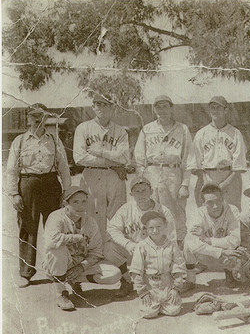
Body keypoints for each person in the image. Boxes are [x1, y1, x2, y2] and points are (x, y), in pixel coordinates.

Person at [6, 103, 71, 288]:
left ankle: (56, 269)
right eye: (33, 115)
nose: (37, 119)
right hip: (28, 185)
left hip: (51, 184)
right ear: (28, 119)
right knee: (28, 228)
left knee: (55, 228)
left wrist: (67, 191)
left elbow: (64, 167)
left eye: (41, 115)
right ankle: (26, 273)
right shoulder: (19, 141)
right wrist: (14, 194)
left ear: (46, 118)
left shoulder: (54, 140)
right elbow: (11, 170)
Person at [42, 187, 121, 311]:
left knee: (114, 274)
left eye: (84, 201)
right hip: (60, 263)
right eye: (75, 202)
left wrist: (82, 266)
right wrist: (77, 238)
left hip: (80, 263)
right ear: (65, 204)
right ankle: (61, 293)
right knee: (57, 249)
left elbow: (97, 250)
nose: (80, 206)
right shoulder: (56, 217)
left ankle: (75, 281)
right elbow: (52, 241)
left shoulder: (90, 221)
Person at [103, 176, 177, 297]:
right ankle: (127, 280)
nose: (141, 194)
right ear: (131, 194)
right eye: (137, 191)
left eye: (144, 190)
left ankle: (162, 280)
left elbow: (171, 238)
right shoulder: (126, 209)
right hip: (133, 250)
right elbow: (112, 229)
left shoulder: (163, 211)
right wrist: (128, 244)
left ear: (151, 192)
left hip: (155, 254)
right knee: (108, 248)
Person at [134, 95, 192, 245]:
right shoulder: (147, 129)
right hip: (152, 172)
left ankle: (178, 250)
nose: (162, 110)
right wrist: (141, 180)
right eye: (158, 107)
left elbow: (188, 159)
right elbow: (139, 158)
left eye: (165, 106)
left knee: (176, 213)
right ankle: (151, 250)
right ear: (154, 109)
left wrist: (185, 184)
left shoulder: (182, 129)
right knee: (150, 212)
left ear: (171, 108)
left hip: (173, 173)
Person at [73, 93, 130, 238]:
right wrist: (111, 160)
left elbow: (124, 157)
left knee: (118, 216)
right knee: (92, 216)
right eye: (98, 104)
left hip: (114, 177)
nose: (102, 108)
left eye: (106, 104)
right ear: (93, 107)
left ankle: (116, 254)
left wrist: (100, 152)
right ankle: (95, 253)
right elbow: (79, 157)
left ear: (112, 107)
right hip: (92, 175)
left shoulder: (120, 131)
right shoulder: (83, 128)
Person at [187, 96, 247, 209]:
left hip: (230, 177)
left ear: (226, 110)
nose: (215, 111)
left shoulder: (235, 133)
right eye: (213, 108)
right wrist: (206, 182)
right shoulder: (201, 134)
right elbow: (195, 164)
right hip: (207, 176)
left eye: (219, 108)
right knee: (206, 211)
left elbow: (239, 165)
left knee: (231, 211)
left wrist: (224, 184)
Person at [184, 183, 243, 288]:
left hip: (227, 256)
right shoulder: (197, 214)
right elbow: (193, 243)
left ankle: (230, 275)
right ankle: (190, 280)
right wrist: (222, 251)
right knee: (187, 245)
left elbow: (236, 239)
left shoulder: (232, 210)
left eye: (218, 200)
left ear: (223, 198)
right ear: (203, 203)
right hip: (211, 255)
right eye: (210, 203)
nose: (215, 206)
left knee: (240, 250)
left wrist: (208, 240)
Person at [130, 211, 186, 319]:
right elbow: (136, 272)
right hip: (151, 286)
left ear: (165, 227)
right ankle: (151, 304)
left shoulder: (172, 245)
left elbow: (178, 267)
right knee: (148, 313)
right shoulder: (141, 246)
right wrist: (143, 292)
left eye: (159, 226)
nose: (155, 231)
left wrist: (176, 288)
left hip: (167, 286)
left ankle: (165, 303)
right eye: (151, 228)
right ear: (145, 229)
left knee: (174, 311)